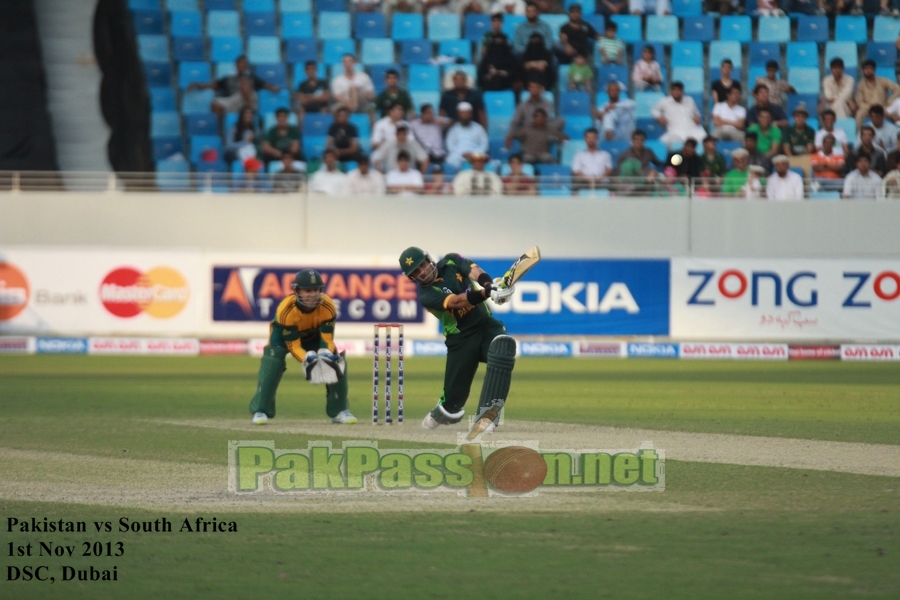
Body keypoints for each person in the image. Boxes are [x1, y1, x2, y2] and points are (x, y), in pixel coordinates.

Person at [397, 246, 516, 431]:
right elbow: (457, 301)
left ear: (429, 259)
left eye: (423, 265)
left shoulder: (451, 261)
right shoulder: (427, 295)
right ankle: (440, 412)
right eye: (416, 272)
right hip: (461, 340)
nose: (423, 272)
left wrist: (489, 285)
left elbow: (475, 271)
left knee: (503, 348)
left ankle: (487, 418)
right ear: (412, 278)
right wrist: (487, 293)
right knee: (451, 406)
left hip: (486, 326)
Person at [248, 269, 357, 425]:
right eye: (307, 290)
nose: (312, 294)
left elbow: (327, 338)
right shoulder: (286, 310)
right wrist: (308, 358)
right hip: (283, 334)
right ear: (297, 290)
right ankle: (261, 411)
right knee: (273, 361)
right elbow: (293, 346)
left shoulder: (328, 306)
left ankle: (340, 411)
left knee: (336, 361)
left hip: (313, 333)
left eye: (316, 290)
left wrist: (325, 353)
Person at [187, 55, 279, 116]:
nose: (243, 65)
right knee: (215, 104)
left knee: (244, 82)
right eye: (241, 63)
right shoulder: (228, 79)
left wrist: (273, 88)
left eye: (245, 63)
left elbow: (265, 85)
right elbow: (212, 85)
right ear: (236, 65)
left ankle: (250, 111)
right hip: (233, 102)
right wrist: (196, 84)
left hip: (249, 100)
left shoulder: (252, 77)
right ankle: (221, 129)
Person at [652, 82, 707, 147]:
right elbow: (654, 111)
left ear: (682, 91)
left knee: (705, 139)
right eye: (674, 90)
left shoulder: (689, 100)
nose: (676, 92)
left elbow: (696, 112)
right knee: (660, 144)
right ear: (671, 91)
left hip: (692, 129)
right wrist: (659, 117)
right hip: (674, 131)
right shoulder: (665, 101)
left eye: (678, 90)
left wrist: (697, 116)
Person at [478, 16, 521, 92]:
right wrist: (489, 75)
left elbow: (513, 73)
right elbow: (481, 76)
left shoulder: (510, 58)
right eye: (496, 43)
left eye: (500, 43)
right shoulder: (487, 58)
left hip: (506, 84)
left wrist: (500, 73)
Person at [855, 59, 900, 128]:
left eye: (870, 68)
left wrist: (890, 101)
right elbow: (860, 102)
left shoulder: (882, 80)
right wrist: (872, 108)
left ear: (874, 70)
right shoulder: (860, 85)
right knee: (859, 114)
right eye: (866, 69)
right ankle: (860, 135)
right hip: (868, 109)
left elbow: (898, 89)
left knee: (895, 109)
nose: (868, 71)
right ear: (863, 70)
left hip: (883, 107)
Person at [445, 102, 490, 168]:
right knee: (450, 160)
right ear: (459, 115)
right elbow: (450, 145)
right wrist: (461, 154)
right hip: (458, 155)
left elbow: (484, 144)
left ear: (471, 115)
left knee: (484, 159)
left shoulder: (478, 128)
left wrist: (473, 154)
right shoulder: (454, 129)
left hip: (475, 155)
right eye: (462, 113)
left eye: (467, 113)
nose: (465, 116)